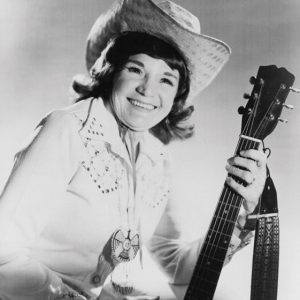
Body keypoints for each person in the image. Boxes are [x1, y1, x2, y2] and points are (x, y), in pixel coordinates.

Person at [0, 0, 268, 299]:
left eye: (166, 79)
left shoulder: (157, 158)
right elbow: (3, 255)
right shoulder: (67, 129)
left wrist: (242, 212)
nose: (147, 89)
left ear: (177, 96)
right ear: (111, 70)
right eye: (136, 69)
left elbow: (177, 265)